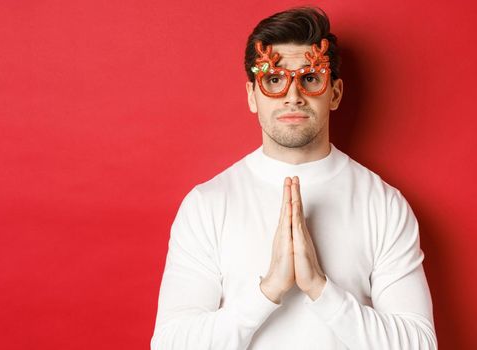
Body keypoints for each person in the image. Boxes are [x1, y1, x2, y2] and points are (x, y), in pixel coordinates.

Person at [150, 6, 437, 350]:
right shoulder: (207, 204)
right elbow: (169, 345)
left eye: (310, 78)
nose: (292, 95)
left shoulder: (384, 204)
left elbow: (420, 344)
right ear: (251, 96)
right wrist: (268, 290)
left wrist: (319, 287)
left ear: (335, 93)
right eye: (274, 79)